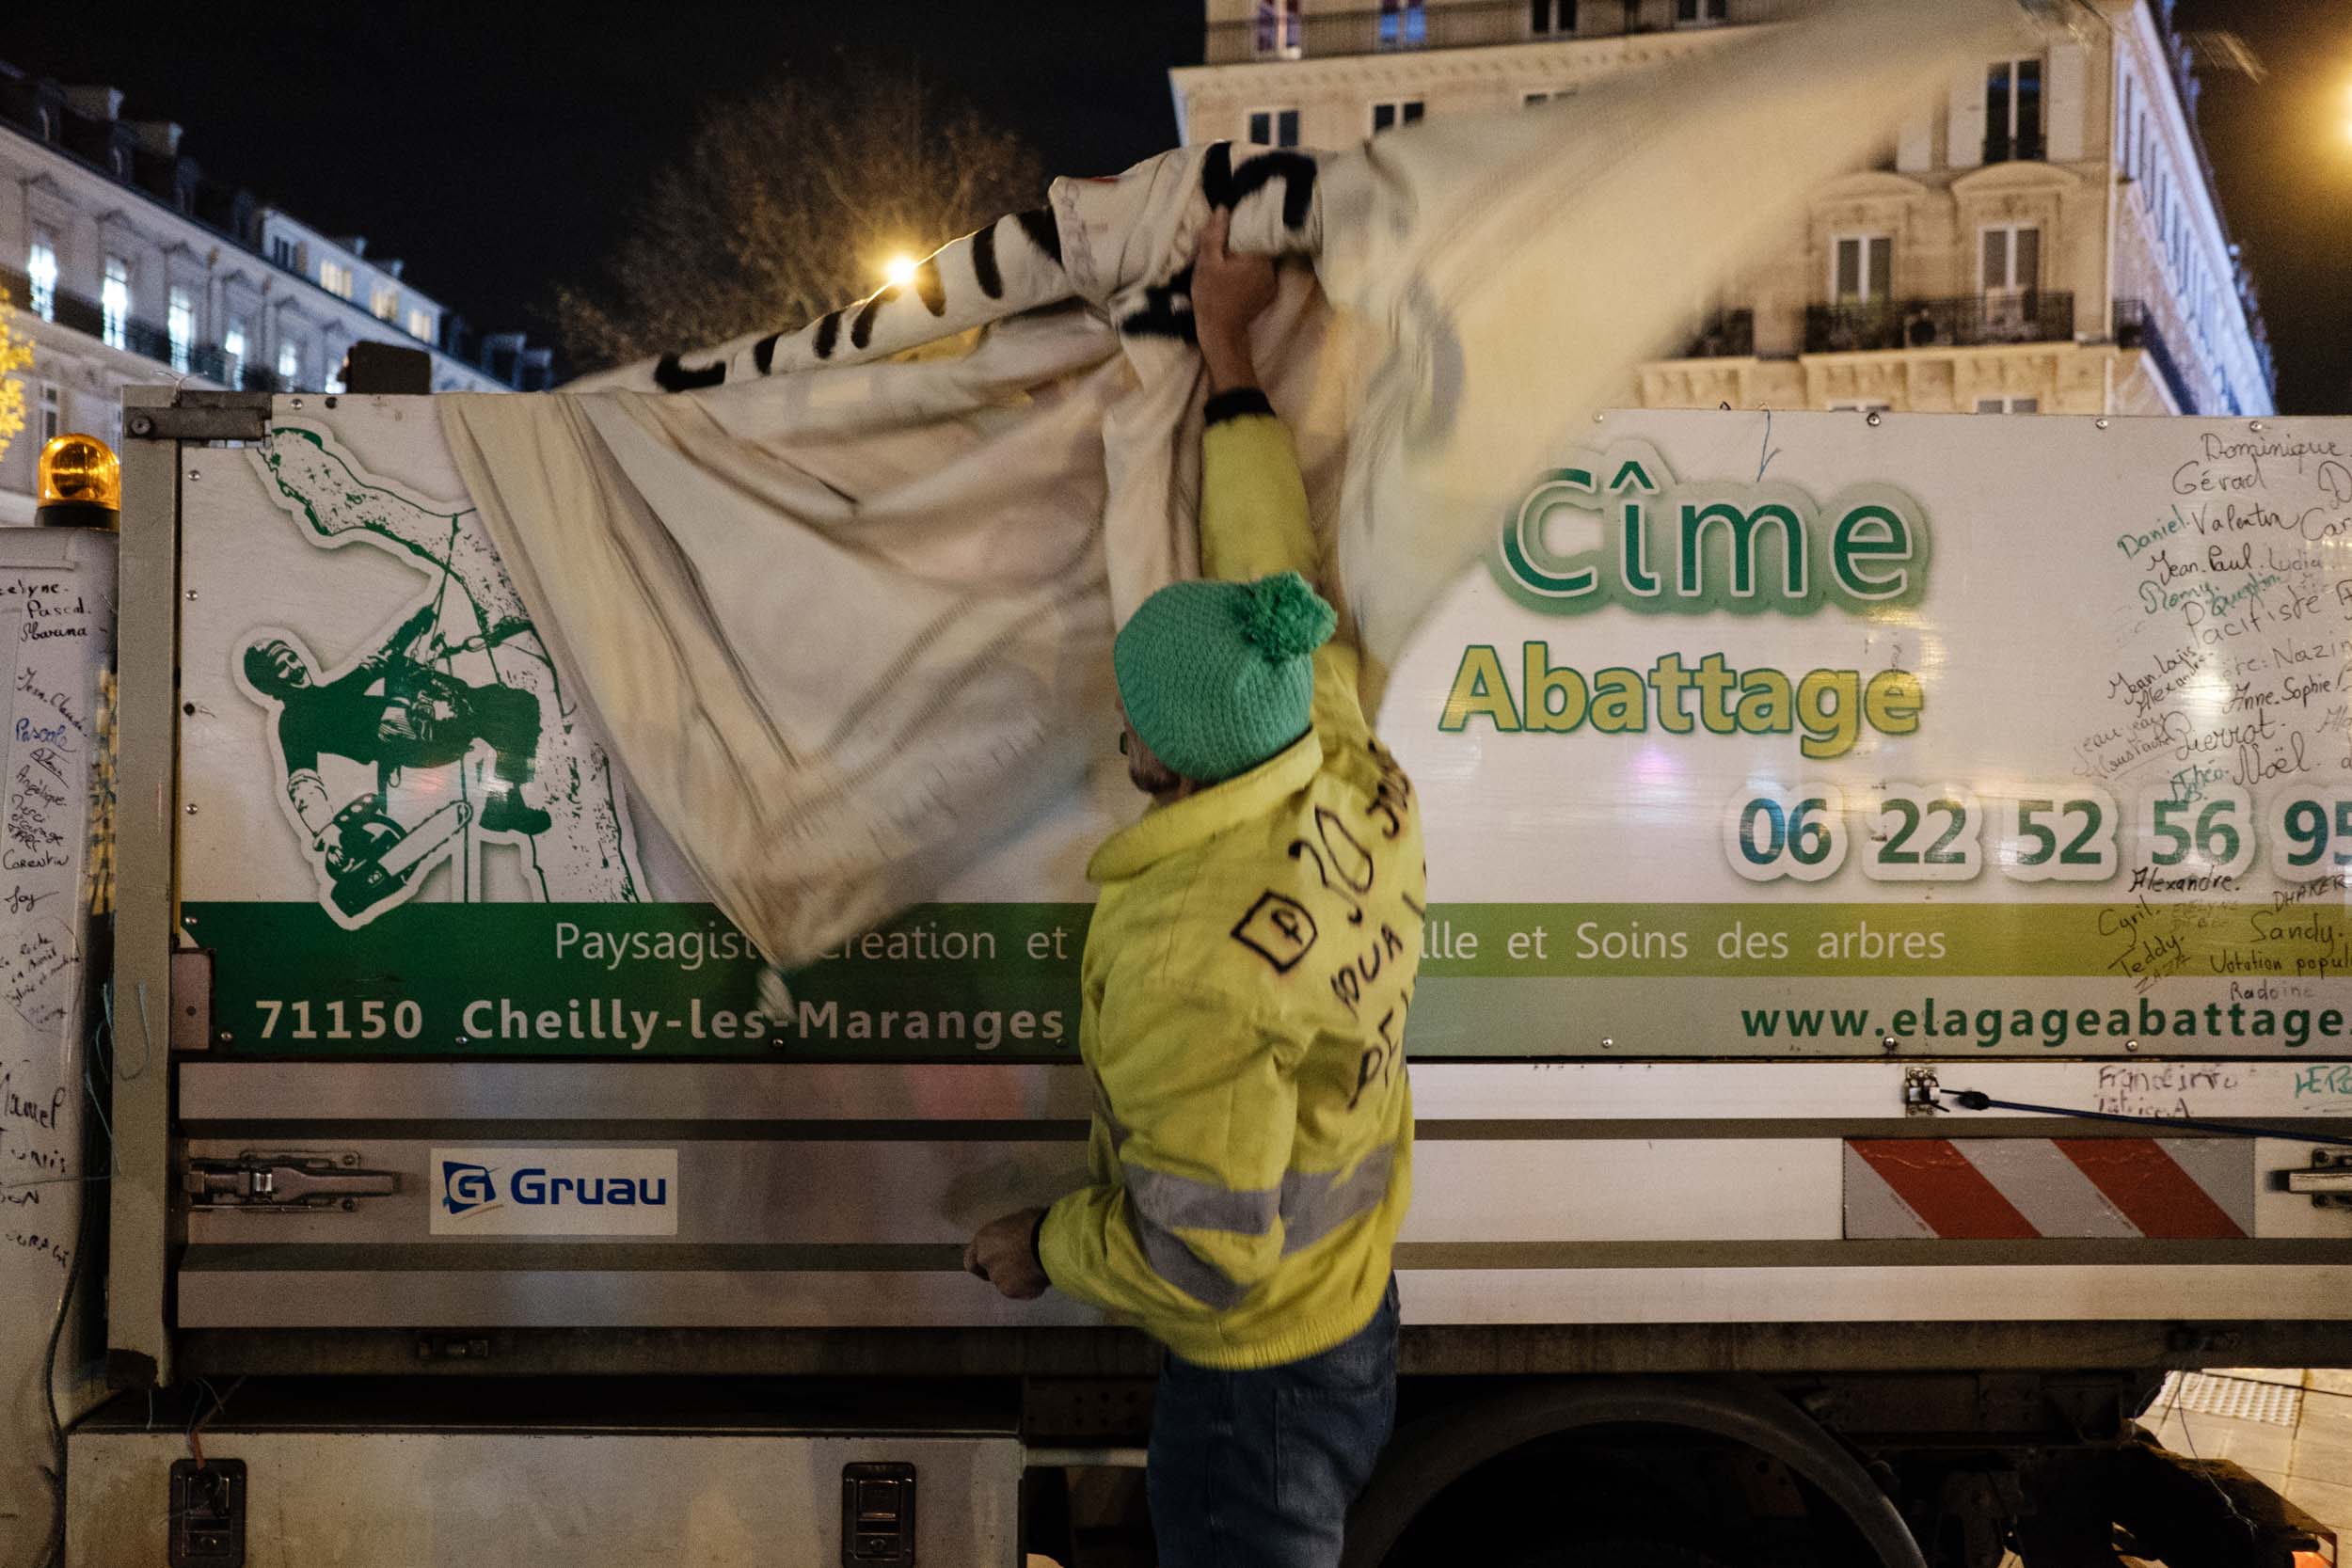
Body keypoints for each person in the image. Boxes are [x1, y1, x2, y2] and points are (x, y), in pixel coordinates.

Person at [966, 209, 1424, 1568]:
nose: (1120, 723)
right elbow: (1274, 574)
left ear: (1166, 761)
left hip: (1258, 1379)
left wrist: (1046, 1247)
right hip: (1351, 1310)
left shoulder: (1189, 962)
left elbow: (1206, 1254)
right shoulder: (1338, 758)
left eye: (1133, 715)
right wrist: (1226, 350)